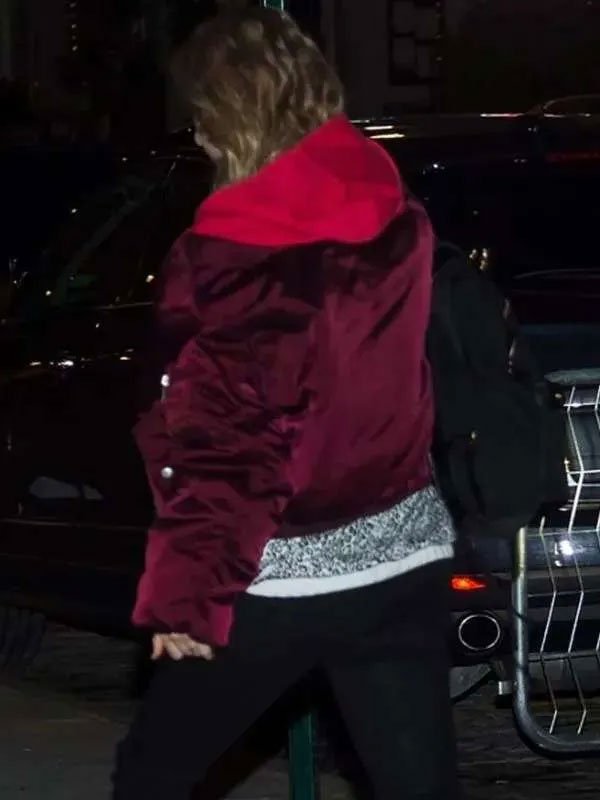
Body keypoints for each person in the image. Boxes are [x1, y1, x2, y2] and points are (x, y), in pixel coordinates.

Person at [112, 8, 459, 799]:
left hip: (280, 579)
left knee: (152, 775)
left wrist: (188, 594)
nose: (198, 137)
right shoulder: (394, 208)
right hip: (404, 556)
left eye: (201, 116)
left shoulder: (228, 257)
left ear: (227, 115)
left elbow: (230, 437)